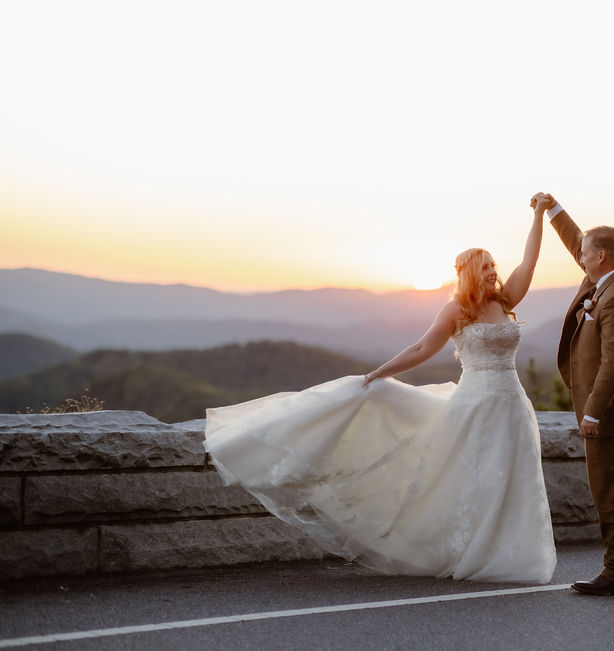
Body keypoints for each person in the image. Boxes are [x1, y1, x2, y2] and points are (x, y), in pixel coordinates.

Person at [204, 199, 556, 584]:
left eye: (494, 266)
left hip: (512, 404)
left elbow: (529, 263)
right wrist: (379, 372)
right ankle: (469, 550)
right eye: (485, 267)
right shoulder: (456, 310)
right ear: (470, 272)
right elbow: (422, 349)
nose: (493, 272)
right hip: (475, 405)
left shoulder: (505, 300)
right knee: (478, 479)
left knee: (513, 478)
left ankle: (506, 551)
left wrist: (538, 216)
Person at [532, 192, 614, 597]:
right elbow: (578, 243)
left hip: (609, 411)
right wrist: (554, 210)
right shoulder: (607, 275)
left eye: (586, 255)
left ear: (601, 257)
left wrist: (593, 413)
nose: (580, 259)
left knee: (609, 489)